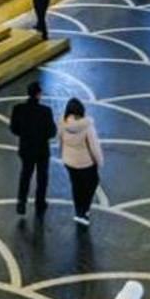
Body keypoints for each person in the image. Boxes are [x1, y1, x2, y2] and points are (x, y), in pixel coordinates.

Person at [9, 79, 57, 219]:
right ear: (38, 94)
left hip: (26, 148)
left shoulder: (18, 109)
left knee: (25, 175)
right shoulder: (45, 111)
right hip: (42, 150)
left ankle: (21, 202)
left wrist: (24, 134)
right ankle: (40, 202)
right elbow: (52, 132)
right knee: (42, 177)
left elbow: (14, 128)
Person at [58, 95, 104, 226]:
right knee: (92, 183)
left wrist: (61, 156)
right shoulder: (87, 126)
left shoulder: (63, 123)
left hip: (69, 162)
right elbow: (94, 147)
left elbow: (60, 140)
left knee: (76, 186)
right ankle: (84, 211)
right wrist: (99, 162)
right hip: (86, 163)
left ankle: (79, 211)